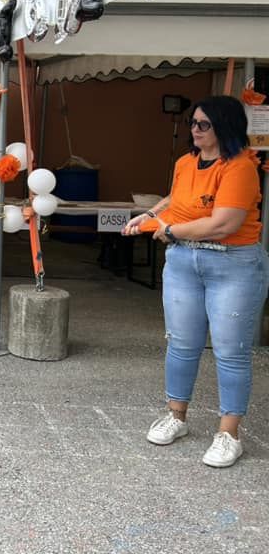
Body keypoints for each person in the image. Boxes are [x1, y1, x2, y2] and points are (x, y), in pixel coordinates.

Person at [122, 96, 268, 467]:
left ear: (225, 126)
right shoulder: (186, 163)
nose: (195, 130)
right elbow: (176, 198)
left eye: (204, 124)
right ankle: (176, 415)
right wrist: (149, 216)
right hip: (184, 261)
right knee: (181, 343)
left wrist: (171, 231)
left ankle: (229, 434)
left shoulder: (240, 167)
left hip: (232, 263)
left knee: (230, 350)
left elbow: (224, 223)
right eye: (193, 123)